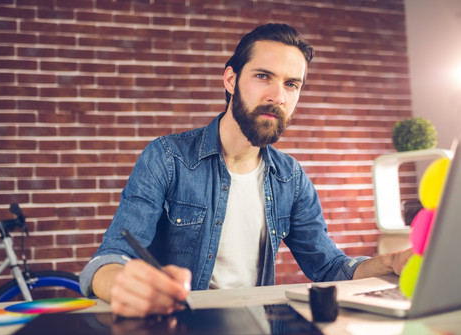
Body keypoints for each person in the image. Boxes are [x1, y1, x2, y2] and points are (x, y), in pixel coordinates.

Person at [79, 23, 411, 317]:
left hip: (256, 330)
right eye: (263, 76)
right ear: (231, 79)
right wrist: (120, 283)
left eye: (292, 84)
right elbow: (107, 261)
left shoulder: (291, 179)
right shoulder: (167, 158)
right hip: (177, 328)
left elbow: (328, 267)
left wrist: (389, 262)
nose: (277, 96)